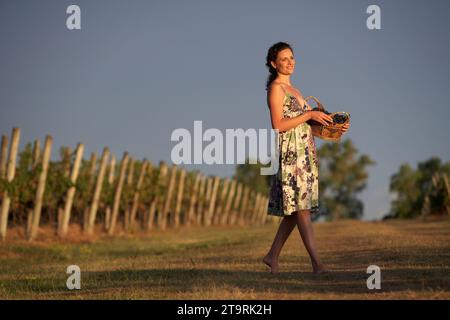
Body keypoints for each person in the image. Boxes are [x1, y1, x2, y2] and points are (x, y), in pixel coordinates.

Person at [263, 42, 350, 274]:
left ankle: (272, 256)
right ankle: (317, 264)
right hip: (291, 155)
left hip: (306, 153)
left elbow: (306, 128)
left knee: (297, 210)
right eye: (284, 59)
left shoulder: (297, 92)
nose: (290, 62)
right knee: (300, 210)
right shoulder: (276, 89)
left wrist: (334, 127)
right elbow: (279, 125)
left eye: (292, 57)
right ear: (274, 64)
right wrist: (310, 113)